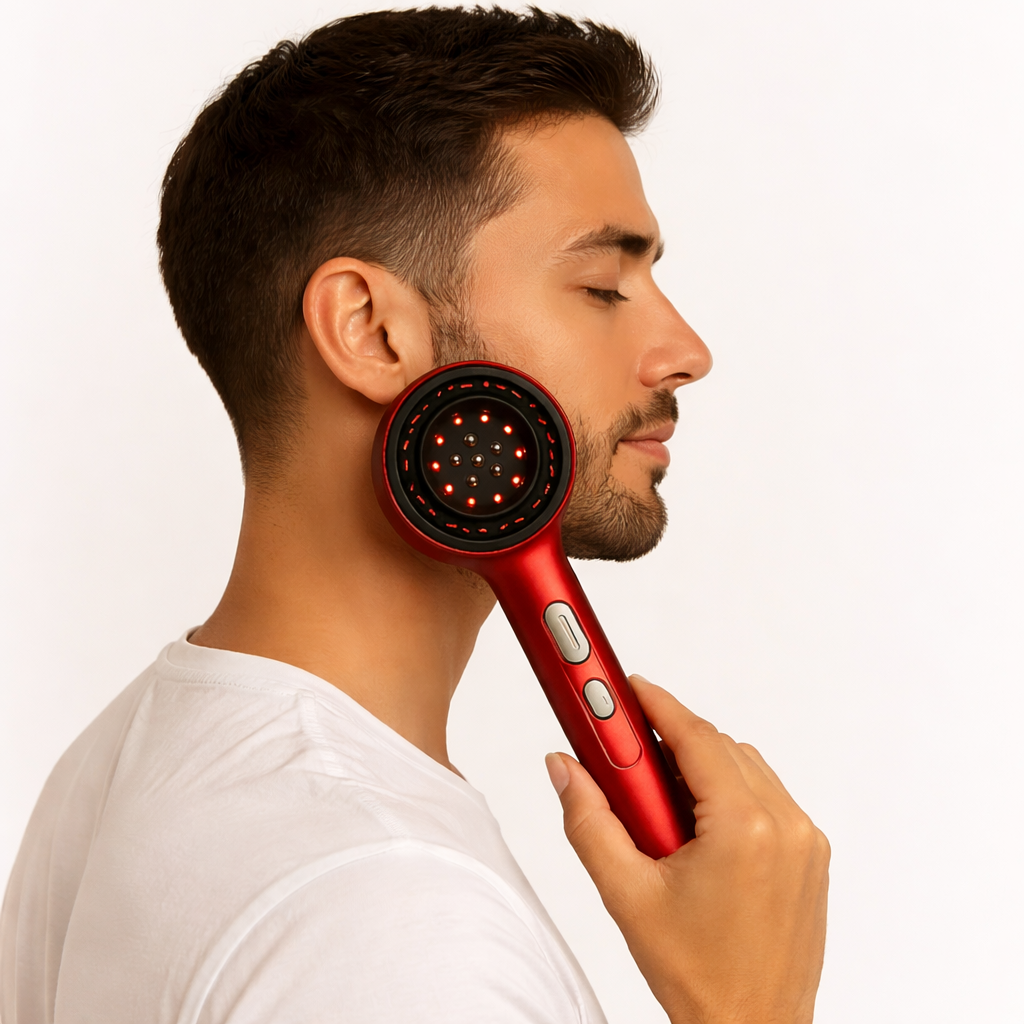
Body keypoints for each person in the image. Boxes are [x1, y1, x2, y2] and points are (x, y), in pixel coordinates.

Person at [0, 8, 830, 1023]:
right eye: (603, 285)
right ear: (370, 329)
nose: (685, 350)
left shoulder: (119, 768)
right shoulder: (391, 922)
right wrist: (750, 1005)